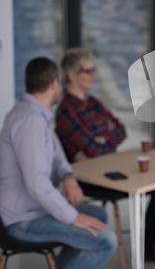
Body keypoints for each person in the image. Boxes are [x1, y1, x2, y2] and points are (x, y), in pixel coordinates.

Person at [55, 48, 155, 262]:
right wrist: (103, 135)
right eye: (88, 71)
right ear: (72, 76)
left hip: (108, 166)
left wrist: (99, 140)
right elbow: (95, 149)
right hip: (90, 179)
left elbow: (120, 130)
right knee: (154, 182)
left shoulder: (93, 102)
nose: (94, 75)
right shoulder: (67, 110)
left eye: (94, 70)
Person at [0, 57, 117, 269]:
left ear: (26, 84)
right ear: (55, 83)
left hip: (33, 208)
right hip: (22, 220)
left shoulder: (35, 114)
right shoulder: (30, 121)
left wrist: (68, 177)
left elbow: (56, 156)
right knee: (105, 241)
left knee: (98, 215)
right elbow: (37, 184)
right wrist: (73, 217)